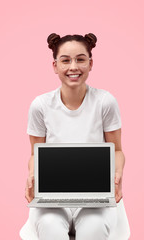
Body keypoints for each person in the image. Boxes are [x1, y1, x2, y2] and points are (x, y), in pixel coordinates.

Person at [25, 33, 125, 240]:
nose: (73, 67)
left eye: (80, 59)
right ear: (55, 66)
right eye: (65, 60)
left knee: (93, 228)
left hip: (95, 195)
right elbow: (36, 153)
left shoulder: (105, 102)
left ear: (90, 63)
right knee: (49, 225)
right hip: (53, 196)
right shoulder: (41, 105)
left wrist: (117, 176)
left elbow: (116, 150)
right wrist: (32, 176)